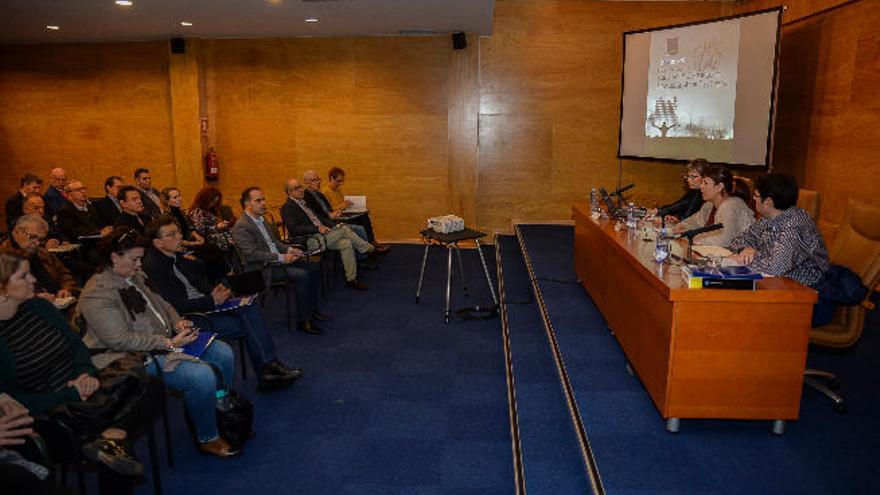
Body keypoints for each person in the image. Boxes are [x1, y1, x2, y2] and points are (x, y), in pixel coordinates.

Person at [0, 253, 158, 490]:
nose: (33, 279)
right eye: (23, 276)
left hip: (86, 390)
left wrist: (86, 374)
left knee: (151, 386)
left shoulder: (41, 307)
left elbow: (77, 346)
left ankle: (112, 437)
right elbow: (16, 401)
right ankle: (111, 439)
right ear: (3, 289)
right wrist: (70, 394)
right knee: (121, 422)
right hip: (50, 415)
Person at [78, 229, 240, 458]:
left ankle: (220, 408)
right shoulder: (97, 293)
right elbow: (119, 339)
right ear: (114, 257)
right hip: (130, 358)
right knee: (201, 376)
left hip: (165, 342)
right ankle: (208, 437)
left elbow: (162, 303)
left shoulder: (135, 275)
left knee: (222, 353)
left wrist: (178, 323)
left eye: (140, 259)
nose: (138, 265)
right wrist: (168, 342)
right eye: (134, 259)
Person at [143, 216, 302, 390]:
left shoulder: (175, 256)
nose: (179, 237)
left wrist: (214, 291)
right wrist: (211, 300)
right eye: (172, 234)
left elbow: (197, 283)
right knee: (246, 322)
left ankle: (269, 367)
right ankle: (268, 368)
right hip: (189, 319)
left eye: (178, 232)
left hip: (206, 306)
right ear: (158, 243)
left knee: (247, 307)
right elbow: (173, 306)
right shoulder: (155, 267)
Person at [232, 187, 328, 335]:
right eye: (258, 200)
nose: (263, 203)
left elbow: (274, 243)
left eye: (263, 199)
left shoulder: (261, 219)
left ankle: (311, 310)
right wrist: (282, 257)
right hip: (262, 269)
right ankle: (304, 320)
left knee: (314, 267)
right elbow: (251, 255)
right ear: (247, 204)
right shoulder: (241, 226)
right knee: (302, 275)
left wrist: (290, 250)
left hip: (277, 261)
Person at [728, 174, 829, 287]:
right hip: (776, 282)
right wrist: (745, 249)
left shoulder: (795, 226)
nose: (754, 199)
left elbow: (775, 268)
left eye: (756, 196)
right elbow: (737, 242)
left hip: (804, 289)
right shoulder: (767, 219)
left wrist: (752, 256)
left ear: (768, 202)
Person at [282, 178, 374, 290]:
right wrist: (317, 228)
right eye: (297, 188)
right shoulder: (287, 207)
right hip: (310, 240)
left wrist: (333, 225)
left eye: (301, 186)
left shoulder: (304, 203)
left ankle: (351, 279)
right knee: (344, 229)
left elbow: (320, 219)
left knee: (346, 243)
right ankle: (367, 248)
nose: (301, 189)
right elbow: (294, 230)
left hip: (321, 236)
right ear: (289, 192)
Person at [673, 164, 755, 246]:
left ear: (719, 187)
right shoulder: (709, 205)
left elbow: (722, 240)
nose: (701, 186)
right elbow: (692, 223)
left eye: (705, 183)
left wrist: (689, 239)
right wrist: (679, 227)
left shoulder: (731, 205)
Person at [0, 215, 77, 300]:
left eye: (41, 239)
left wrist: (65, 289)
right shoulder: (3, 258)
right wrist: (33, 298)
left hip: (59, 302)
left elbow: (64, 274)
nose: (36, 243)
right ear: (16, 232)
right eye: (32, 237)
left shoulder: (43, 253)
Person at [320, 166, 383, 246]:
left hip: (342, 215)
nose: (341, 183)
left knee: (364, 215)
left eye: (342, 181)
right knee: (363, 220)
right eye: (338, 181)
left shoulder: (338, 190)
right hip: (336, 219)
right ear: (331, 178)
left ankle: (371, 242)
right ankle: (370, 244)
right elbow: (328, 211)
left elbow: (341, 204)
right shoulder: (325, 192)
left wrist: (347, 205)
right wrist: (343, 205)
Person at [188, 186, 235, 251]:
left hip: (215, 237)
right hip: (207, 240)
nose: (213, 204)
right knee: (230, 244)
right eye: (212, 202)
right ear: (205, 199)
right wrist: (217, 227)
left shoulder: (208, 210)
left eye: (215, 202)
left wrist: (222, 224)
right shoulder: (197, 211)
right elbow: (200, 230)